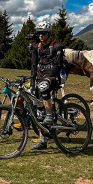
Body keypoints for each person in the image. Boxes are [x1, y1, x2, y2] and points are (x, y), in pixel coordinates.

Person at [30, 21, 65, 150]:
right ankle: (43, 140)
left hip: (53, 77)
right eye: (38, 33)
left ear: (48, 33)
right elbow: (34, 66)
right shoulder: (36, 48)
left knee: (44, 87)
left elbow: (58, 65)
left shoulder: (56, 46)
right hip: (39, 78)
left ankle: (50, 115)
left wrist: (47, 78)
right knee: (39, 112)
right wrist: (32, 83)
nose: (40, 35)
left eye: (43, 33)